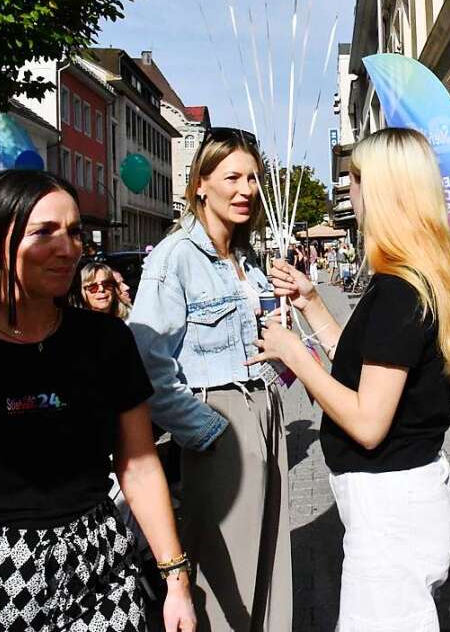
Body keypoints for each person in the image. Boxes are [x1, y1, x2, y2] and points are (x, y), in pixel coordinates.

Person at [0, 170, 195, 632]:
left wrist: (176, 579)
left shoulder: (106, 341)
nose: (68, 249)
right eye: (44, 232)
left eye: (73, 232)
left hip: (98, 568)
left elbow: (139, 465)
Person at [250, 128, 450, 631]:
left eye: (354, 179)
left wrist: (295, 355)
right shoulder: (412, 278)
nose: (348, 191)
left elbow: (368, 420)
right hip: (399, 498)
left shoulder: (400, 291)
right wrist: (313, 303)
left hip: (390, 509)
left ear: (379, 190)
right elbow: (367, 370)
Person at [128, 128, 290, 632]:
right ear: (201, 184)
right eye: (233, 177)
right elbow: (148, 364)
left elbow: (264, 344)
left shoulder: (247, 258)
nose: (246, 190)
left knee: (272, 563)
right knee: (227, 578)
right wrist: (205, 429)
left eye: (254, 178)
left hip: (266, 411)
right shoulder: (173, 258)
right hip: (219, 418)